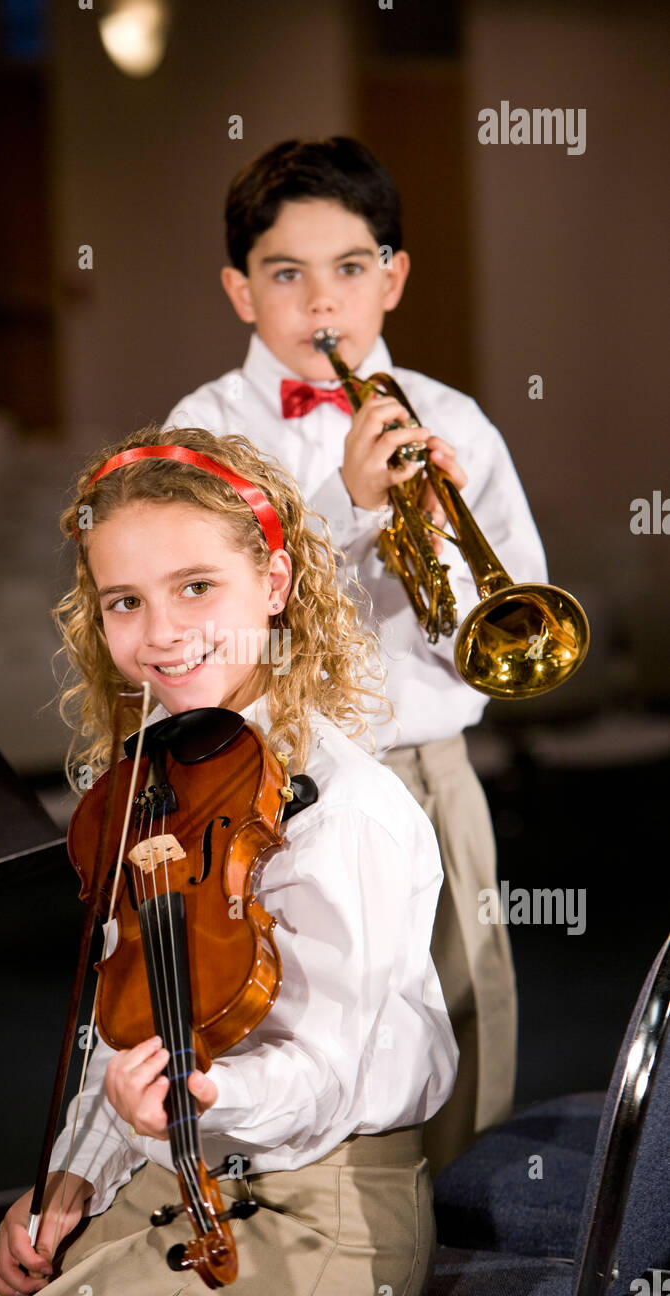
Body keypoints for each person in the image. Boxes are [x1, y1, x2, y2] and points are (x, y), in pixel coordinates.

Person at [0, 424, 456, 1296]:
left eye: (196, 588)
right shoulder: (147, 779)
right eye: (124, 602)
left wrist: (200, 1099)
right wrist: (76, 1167)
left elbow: (328, 1083)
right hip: (152, 1182)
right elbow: (126, 1015)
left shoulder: (350, 811)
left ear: (274, 582)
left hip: (313, 1212)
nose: (162, 634)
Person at [164, 137, 548, 1172]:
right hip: (271, 788)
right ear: (240, 292)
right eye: (286, 274)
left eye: (348, 268)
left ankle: (461, 1244)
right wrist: (343, 509)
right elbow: (211, 632)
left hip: (427, 774)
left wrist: (435, 538)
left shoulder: (454, 418)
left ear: (393, 275)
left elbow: (498, 628)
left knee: (463, 1002)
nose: (320, 303)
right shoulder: (202, 429)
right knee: (290, 1023)